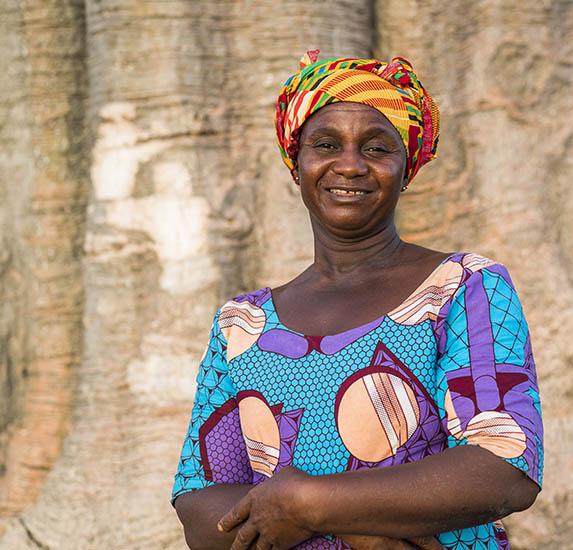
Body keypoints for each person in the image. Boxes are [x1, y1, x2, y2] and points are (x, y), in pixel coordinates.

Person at [171, 50, 544, 550]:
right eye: (326, 144)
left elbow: (503, 466)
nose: (349, 165)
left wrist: (305, 504)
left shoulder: (462, 287)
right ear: (296, 164)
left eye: (376, 148)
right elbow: (200, 510)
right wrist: (362, 532)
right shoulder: (242, 325)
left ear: (406, 168)